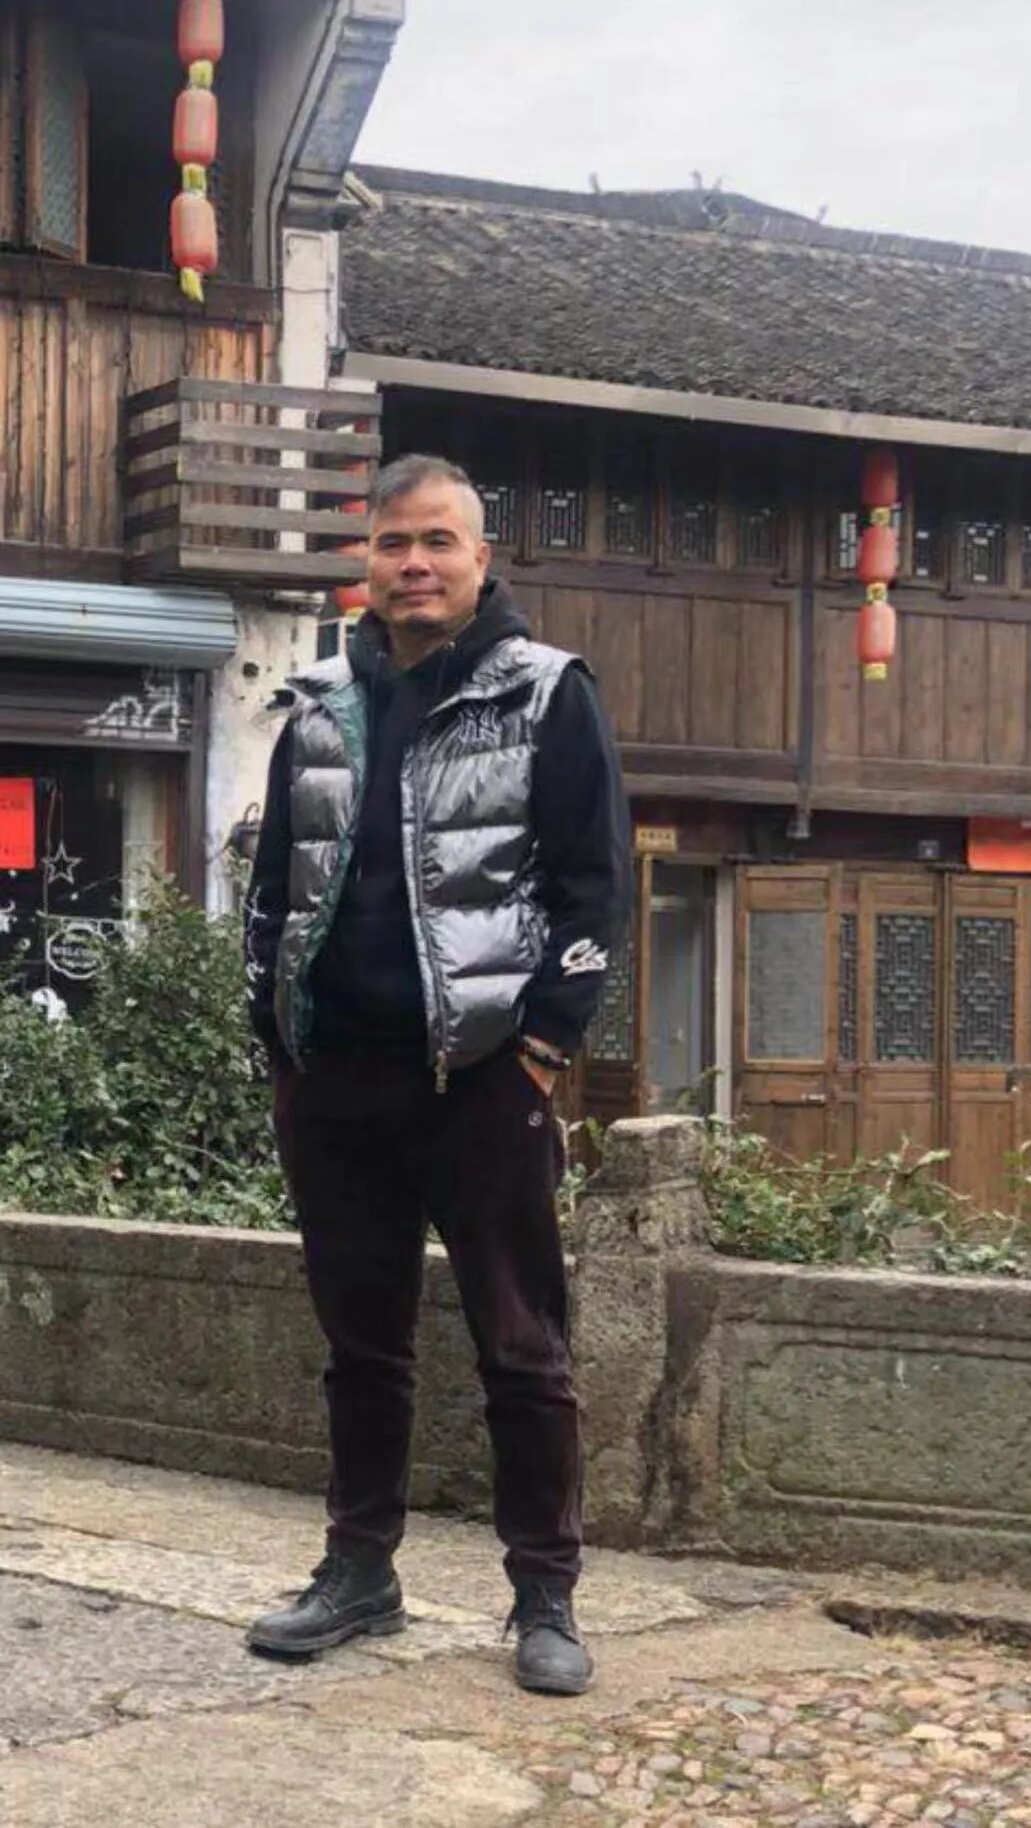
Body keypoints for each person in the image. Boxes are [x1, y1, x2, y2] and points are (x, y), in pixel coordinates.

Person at [244, 453, 632, 1694]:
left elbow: (594, 889)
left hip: (481, 1078)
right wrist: (276, 1035)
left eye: (438, 543)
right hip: (337, 1076)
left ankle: (545, 1595)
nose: (415, 564)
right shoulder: (317, 704)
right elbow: (272, 885)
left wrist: (541, 1051)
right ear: (366, 560)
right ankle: (360, 1569)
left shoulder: (545, 695)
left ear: (480, 558)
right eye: (394, 543)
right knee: (362, 1346)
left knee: (521, 1345)